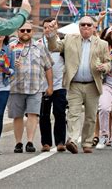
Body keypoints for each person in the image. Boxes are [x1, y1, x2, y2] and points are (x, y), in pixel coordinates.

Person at [46, 16, 111, 154]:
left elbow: (109, 62)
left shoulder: (102, 44)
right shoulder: (69, 39)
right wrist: (51, 34)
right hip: (74, 84)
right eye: (83, 25)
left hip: (93, 84)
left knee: (90, 116)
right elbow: (53, 47)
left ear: (94, 27)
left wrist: (104, 67)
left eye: (89, 25)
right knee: (73, 114)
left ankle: (87, 142)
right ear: (79, 27)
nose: (86, 27)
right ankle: (73, 140)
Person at [9, 21, 53, 153]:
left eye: (28, 30)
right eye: (22, 30)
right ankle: (18, 143)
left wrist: (50, 86)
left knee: (33, 114)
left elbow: (48, 67)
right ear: (18, 32)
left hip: (35, 87)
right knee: (17, 116)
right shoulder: (11, 47)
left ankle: (30, 141)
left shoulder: (39, 47)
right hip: (15, 87)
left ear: (32, 32)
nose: (25, 33)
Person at [39, 18, 67, 152]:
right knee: (44, 115)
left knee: (59, 113)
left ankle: (60, 141)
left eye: (50, 27)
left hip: (60, 85)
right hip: (42, 86)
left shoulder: (62, 44)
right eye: (45, 28)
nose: (47, 30)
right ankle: (46, 142)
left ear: (56, 28)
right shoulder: (38, 44)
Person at [0, 34, 14, 154]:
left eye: (2, 32)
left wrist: (7, 70)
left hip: (3, 87)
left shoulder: (8, 50)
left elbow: (13, 69)